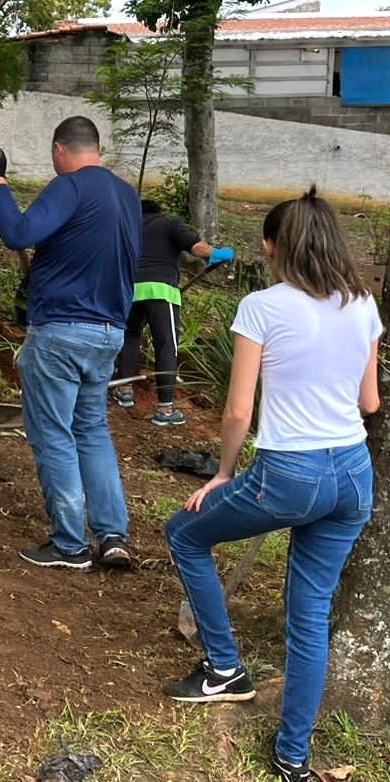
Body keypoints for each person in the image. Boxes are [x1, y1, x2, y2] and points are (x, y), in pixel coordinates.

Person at [161, 188, 379, 782]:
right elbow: (370, 401)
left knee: (183, 533)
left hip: (290, 473)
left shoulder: (261, 306)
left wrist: (225, 472)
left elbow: (237, 413)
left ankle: (225, 669)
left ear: (270, 247)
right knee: (308, 616)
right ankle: (292, 758)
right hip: (354, 476)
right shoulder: (362, 304)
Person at [0, 116, 140, 570]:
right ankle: (112, 536)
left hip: (62, 332)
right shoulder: (126, 195)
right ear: (99, 150)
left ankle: (69, 544)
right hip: (109, 333)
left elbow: (18, 233)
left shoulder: (70, 186)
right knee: (92, 431)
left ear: (58, 150)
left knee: (53, 435)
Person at [112, 199, 234, 425]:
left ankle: (125, 390)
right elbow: (196, 247)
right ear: (159, 210)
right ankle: (165, 410)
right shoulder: (169, 223)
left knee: (130, 337)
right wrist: (217, 253)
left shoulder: (127, 228)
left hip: (130, 291)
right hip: (161, 292)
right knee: (166, 345)